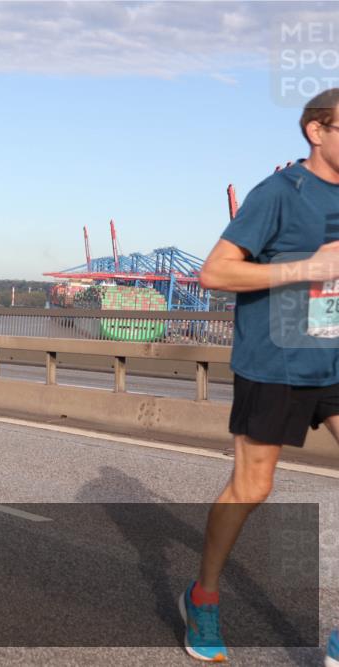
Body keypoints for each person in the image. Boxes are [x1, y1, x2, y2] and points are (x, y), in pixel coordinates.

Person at [186, 88, 339, 662]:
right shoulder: (279, 192)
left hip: (334, 359)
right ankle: (203, 598)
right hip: (275, 360)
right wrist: (310, 267)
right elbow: (214, 273)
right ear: (316, 132)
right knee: (254, 487)